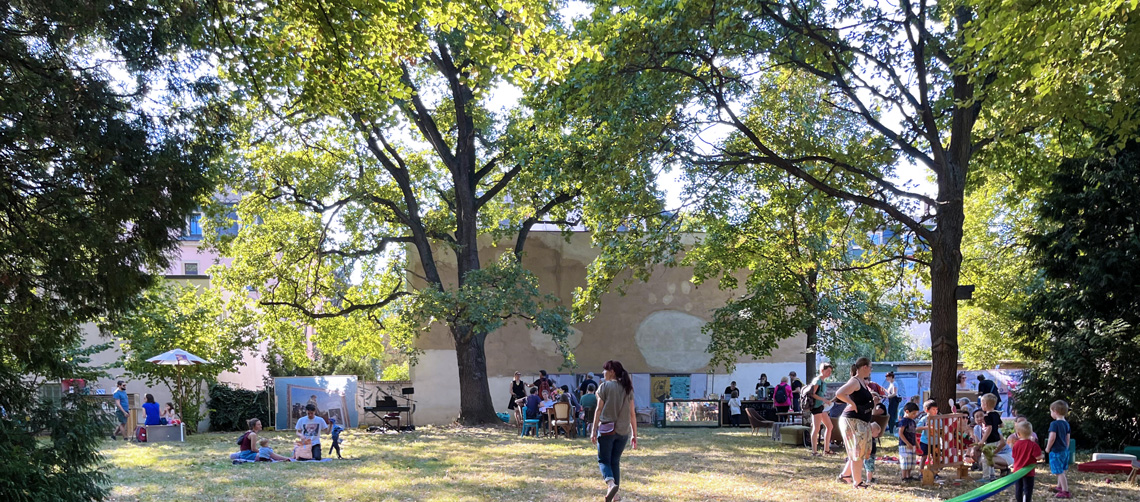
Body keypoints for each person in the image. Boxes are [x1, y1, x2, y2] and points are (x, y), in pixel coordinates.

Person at [591, 360, 637, 502]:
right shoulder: (627, 388)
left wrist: (593, 430)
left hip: (606, 430)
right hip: (623, 431)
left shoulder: (604, 386)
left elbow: (598, 409)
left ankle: (611, 484)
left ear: (612, 372)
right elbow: (632, 413)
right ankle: (615, 496)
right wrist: (634, 434)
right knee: (615, 462)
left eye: (605, 370)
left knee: (604, 460)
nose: (603, 373)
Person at [835, 357, 875, 488]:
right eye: (870, 367)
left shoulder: (862, 382)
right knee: (857, 452)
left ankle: (845, 475)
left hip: (861, 420)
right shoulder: (855, 381)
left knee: (860, 451)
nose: (871, 370)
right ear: (864, 367)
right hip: (852, 420)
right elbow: (839, 393)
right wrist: (852, 403)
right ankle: (857, 483)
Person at [978, 393, 1012, 482]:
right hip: (996, 439)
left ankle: (986, 477)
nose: (981, 405)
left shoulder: (987, 416)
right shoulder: (996, 414)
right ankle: (992, 475)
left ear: (985, 404)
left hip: (990, 440)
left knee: (985, 458)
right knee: (990, 457)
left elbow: (989, 428)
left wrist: (982, 440)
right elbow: (1002, 425)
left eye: (982, 403)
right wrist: (995, 426)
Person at [807, 363, 835, 456]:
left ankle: (826, 450)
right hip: (816, 407)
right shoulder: (817, 380)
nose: (829, 373)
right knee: (816, 428)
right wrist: (824, 400)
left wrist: (825, 401)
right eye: (828, 371)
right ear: (822, 371)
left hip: (821, 407)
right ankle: (814, 451)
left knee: (829, 426)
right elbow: (813, 394)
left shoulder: (823, 381)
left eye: (830, 371)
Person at [1011, 421, 1043, 502]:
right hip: (1028, 472)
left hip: (1017, 471)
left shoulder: (1016, 444)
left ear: (1018, 434)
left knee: (1018, 488)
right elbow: (1038, 457)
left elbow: (1014, 456)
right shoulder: (1033, 445)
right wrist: (1042, 455)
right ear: (1031, 432)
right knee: (1028, 489)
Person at [1046, 400, 1072, 499]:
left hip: (1056, 451)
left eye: (1051, 411)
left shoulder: (1054, 424)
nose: (1051, 413)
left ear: (1055, 411)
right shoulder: (1066, 424)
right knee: (1062, 469)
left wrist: (1048, 448)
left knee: (1059, 472)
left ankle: (1065, 491)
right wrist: (1066, 448)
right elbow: (1067, 438)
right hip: (1064, 450)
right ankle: (1059, 486)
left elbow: (1052, 437)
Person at [897, 401, 920, 481]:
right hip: (904, 445)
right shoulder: (904, 421)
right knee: (905, 461)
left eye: (916, 413)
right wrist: (907, 443)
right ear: (907, 412)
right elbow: (900, 433)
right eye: (913, 413)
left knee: (911, 461)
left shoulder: (913, 422)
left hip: (912, 444)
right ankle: (904, 477)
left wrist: (917, 444)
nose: (915, 415)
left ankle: (909, 476)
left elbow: (914, 434)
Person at [916, 400, 939, 471]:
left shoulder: (938, 419)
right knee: (924, 457)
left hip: (935, 442)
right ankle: (921, 472)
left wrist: (936, 430)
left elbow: (942, 429)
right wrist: (926, 427)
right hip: (925, 441)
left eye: (936, 409)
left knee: (936, 457)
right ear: (927, 410)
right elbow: (917, 428)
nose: (935, 411)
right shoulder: (924, 419)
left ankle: (935, 472)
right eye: (933, 409)